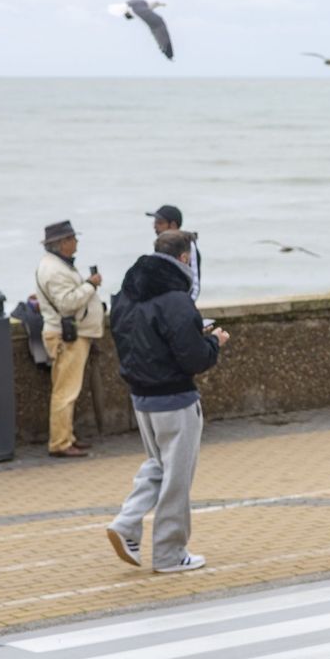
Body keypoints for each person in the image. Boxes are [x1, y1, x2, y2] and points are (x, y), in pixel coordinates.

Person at [105, 229, 226, 574]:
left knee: (159, 465)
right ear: (185, 258)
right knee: (178, 475)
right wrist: (215, 341)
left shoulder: (127, 293)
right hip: (175, 397)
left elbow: (134, 337)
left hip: (141, 396)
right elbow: (194, 359)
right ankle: (170, 553)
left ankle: (127, 523)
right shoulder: (176, 299)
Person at [34, 220, 104, 458]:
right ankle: (60, 442)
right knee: (66, 391)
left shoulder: (55, 265)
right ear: (62, 243)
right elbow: (67, 303)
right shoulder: (54, 269)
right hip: (68, 337)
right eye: (72, 238)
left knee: (66, 388)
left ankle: (67, 436)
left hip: (70, 334)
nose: (76, 242)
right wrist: (90, 285)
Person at [148, 204, 201, 301]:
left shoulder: (187, 245)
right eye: (155, 223)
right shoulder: (160, 244)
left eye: (159, 223)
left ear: (173, 225)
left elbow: (195, 284)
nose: (155, 227)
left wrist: (186, 305)